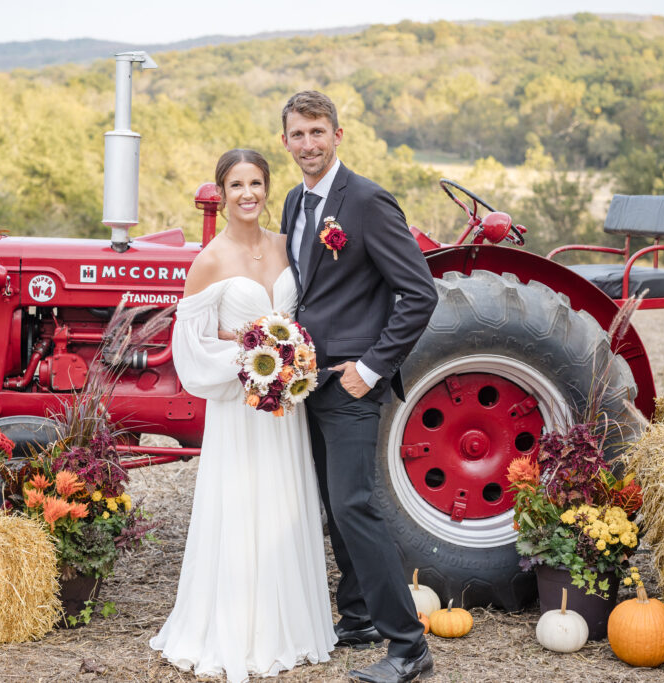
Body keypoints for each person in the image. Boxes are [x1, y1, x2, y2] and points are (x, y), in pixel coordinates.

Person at [149, 149, 335, 682]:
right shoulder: (210, 259)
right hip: (240, 409)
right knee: (240, 505)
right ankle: (235, 627)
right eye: (236, 185)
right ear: (222, 192)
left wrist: (290, 359)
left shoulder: (287, 246)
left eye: (256, 182)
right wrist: (250, 359)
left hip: (285, 409)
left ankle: (289, 627)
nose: (247, 193)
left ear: (268, 188)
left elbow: (302, 318)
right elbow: (191, 348)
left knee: (283, 505)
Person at [279, 91, 439, 683]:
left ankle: (409, 646)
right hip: (306, 381)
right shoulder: (295, 202)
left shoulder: (367, 202)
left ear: (338, 135)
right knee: (332, 504)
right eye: (298, 135)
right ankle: (359, 616)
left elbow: (419, 293)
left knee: (354, 503)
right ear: (286, 142)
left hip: (351, 382)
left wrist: (369, 367)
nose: (309, 144)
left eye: (318, 132)